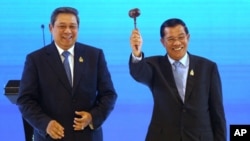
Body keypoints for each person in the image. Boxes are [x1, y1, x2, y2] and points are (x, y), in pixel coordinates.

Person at [17, 7, 117, 141]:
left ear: (78, 28)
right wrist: (46, 124)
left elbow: (109, 94)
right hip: (52, 137)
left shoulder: (95, 55)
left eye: (72, 26)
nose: (68, 31)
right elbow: (25, 100)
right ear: (51, 28)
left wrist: (93, 117)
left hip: (88, 136)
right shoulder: (35, 60)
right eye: (62, 26)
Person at [129, 18, 226, 141]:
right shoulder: (154, 66)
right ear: (162, 42)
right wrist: (136, 53)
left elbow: (217, 112)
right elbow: (138, 73)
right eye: (170, 39)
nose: (177, 43)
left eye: (181, 37)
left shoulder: (208, 68)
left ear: (188, 37)